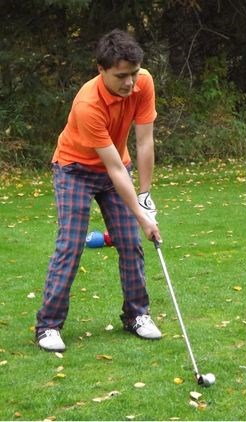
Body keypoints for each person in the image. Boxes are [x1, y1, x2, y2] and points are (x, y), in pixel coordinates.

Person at [35, 29, 163, 353]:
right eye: (121, 76)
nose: (130, 83)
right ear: (101, 69)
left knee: (130, 242)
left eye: (134, 73)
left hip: (115, 166)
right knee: (71, 244)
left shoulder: (143, 82)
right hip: (74, 169)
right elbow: (115, 168)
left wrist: (145, 197)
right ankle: (48, 325)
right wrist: (143, 217)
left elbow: (145, 140)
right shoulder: (87, 103)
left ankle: (137, 315)